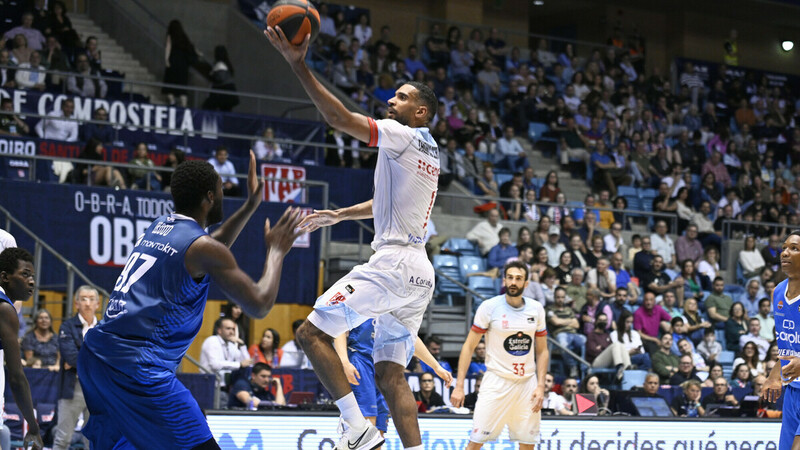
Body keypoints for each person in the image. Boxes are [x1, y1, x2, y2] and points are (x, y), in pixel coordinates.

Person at [267, 25, 442, 450]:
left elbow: (338, 119)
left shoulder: (400, 135)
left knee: (311, 333)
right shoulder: (430, 148)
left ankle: (358, 428)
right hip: (420, 271)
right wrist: (342, 214)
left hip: (394, 265)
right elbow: (387, 202)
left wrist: (299, 65)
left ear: (420, 112)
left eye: (401, 97)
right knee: (390, 373)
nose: (391, 101)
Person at [76, 153, 305, 449]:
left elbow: (212, 245)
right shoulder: (201, 247)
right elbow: (259, 305)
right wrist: (276, 251)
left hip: (97, 355)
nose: (225, 194)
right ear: (210, 196)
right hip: (138, 368)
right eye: (222, 189)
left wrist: (250, 206)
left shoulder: (161, 226)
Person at [450, 261, 548, 450]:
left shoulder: (536, 309)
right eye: (510, 277)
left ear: (526, 283)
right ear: (504, 280)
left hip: (527, 383)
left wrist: (541, 385)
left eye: (518, 279)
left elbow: (542, 350)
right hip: (497, 381)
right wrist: (459, 386)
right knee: (475, 442)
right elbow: (469, 346)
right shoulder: (489, 307)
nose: (513, 282)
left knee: (528, 444)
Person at [0, 248, 44, 449]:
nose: (32, 282)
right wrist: (33, 428)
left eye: (33, 276)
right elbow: (17, 377)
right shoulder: (5, 309)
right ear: (5, 277)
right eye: (25, 275)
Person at [54, 286, 100, 450]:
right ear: (76, 304)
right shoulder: (67, 327)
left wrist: (79, 361)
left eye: (91, 298)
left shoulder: (104, 328)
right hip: (72, 387)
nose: (87, 303)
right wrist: (96, 359)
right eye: (83, 298)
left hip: (97, 389)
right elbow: (70, 357)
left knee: (93, 440)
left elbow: (110, 358)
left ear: (98, 304)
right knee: (62, 439)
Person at [199, 317, 251, 395]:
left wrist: (242, 345)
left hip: (226, 388)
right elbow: (215, 365)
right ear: (219, 330)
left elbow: (247, 362)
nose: (232, 332)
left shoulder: (230, 345)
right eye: (228, 329)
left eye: (233, 329)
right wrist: (239, 365)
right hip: (210, 387)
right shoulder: (212, 341)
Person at [547, 287, 585, 377]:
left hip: (573, 334)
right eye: (558, 297)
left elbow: (577, 325)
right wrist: (569, 321)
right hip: (559, 335)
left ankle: (583, 368)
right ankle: (573, 366)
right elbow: (555, 322)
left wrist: (561, 321)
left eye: (562, 297)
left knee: (584, 340)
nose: (560, 300)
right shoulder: (549, 309)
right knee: (563, 343)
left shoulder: (569, 310)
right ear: (554, 297)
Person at [163, 20, 200, 106]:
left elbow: (168, 48)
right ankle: (184, 106)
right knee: (182, 88)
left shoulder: (171, 36)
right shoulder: (184, 37)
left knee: (169, 85)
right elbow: (191, 47)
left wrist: (166, 60)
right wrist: (198, 53)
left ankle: (172, 102)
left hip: (173, 62)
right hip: (183, 64)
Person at [202, 45, 239, 111]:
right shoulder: (225, 64)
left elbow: (220, 78)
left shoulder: (220, 65)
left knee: (206, 108)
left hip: (222, 92)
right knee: (226, 112)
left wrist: (211, 76)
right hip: (227, 92)